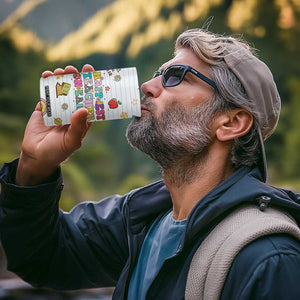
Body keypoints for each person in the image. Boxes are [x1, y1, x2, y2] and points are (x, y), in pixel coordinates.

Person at [0, 28, 300, 300]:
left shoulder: (269, 259)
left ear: (231, 123)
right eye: (158, 74)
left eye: (176, 76)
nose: (147, 85)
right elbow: (42, 258)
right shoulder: (140, 219)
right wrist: (34, 167)